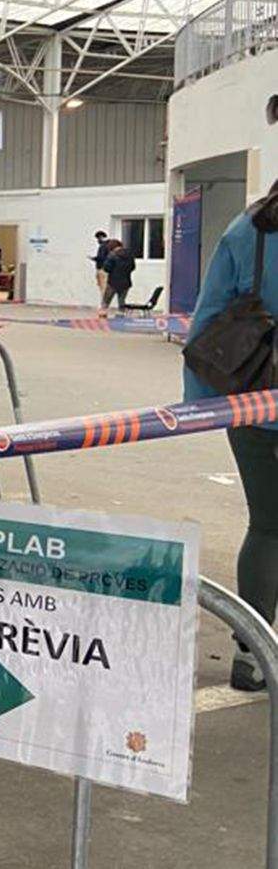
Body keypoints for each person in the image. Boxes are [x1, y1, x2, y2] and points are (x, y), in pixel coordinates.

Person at [185, 183, 278, 691]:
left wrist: (199, 407)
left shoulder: (248, 230)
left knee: (267, 528)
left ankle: (250, 656)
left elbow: (209, 317)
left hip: (253, 402)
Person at [98, 238, 135, 317]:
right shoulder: (129, 254)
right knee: (121, 301)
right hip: (126, 282)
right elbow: (133, 267)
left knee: (106, 301)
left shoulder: (112, 255)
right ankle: (120, 317)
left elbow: (106, 268)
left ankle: (102, 317)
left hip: (113, 282)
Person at [92, 229, 111, 298]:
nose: (97, 240)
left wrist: (95, 259)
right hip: (105, 269)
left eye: (98, 238)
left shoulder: (103, 246)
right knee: (103, 286)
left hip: (102, 269)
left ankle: (103, 305)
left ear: (101, 237)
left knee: (103, 287)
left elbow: (101, 258)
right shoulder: (107, 246)